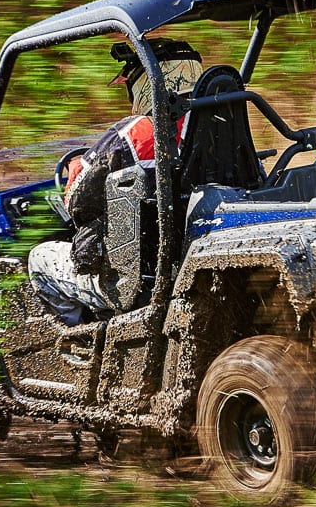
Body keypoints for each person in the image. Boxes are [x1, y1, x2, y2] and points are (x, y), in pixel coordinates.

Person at [27, 39, 202, 321]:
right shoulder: (219, 125)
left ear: (148, 81)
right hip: (190, 253)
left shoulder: (136, 133)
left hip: (141, 277)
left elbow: (76, 199)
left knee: (39, 258)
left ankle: (79, 346)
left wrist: (75, 167)